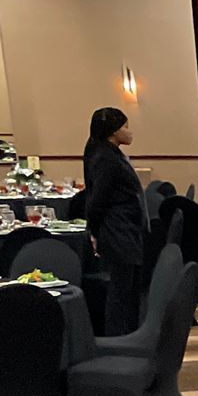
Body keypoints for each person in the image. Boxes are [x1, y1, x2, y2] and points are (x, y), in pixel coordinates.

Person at [82, 107, 147, 335]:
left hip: (124, 227)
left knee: (128, 288)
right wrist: (95, 231)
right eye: (125, 127)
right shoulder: (105, 157)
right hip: (117, 229)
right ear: (112, 131)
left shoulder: (110, 153)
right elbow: (98, 198)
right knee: (121, 290)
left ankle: (130, 333)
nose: (129, 132)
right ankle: (120, 337)